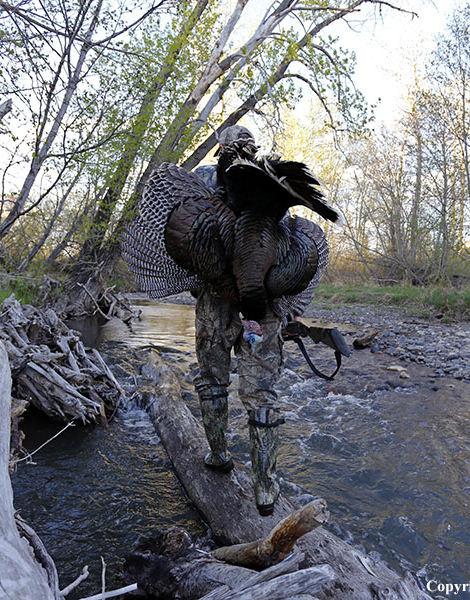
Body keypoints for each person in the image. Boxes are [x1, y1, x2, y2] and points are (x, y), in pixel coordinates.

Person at [122, 125, 340, 516]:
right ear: (252, 149)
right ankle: (264, 488)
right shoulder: (268, 180)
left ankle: (219, 455)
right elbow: (281, 239)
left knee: (212, 378)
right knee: (261, 393)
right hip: (265, 306)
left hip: (216, 301)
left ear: (221, 146)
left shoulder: (207, 177)